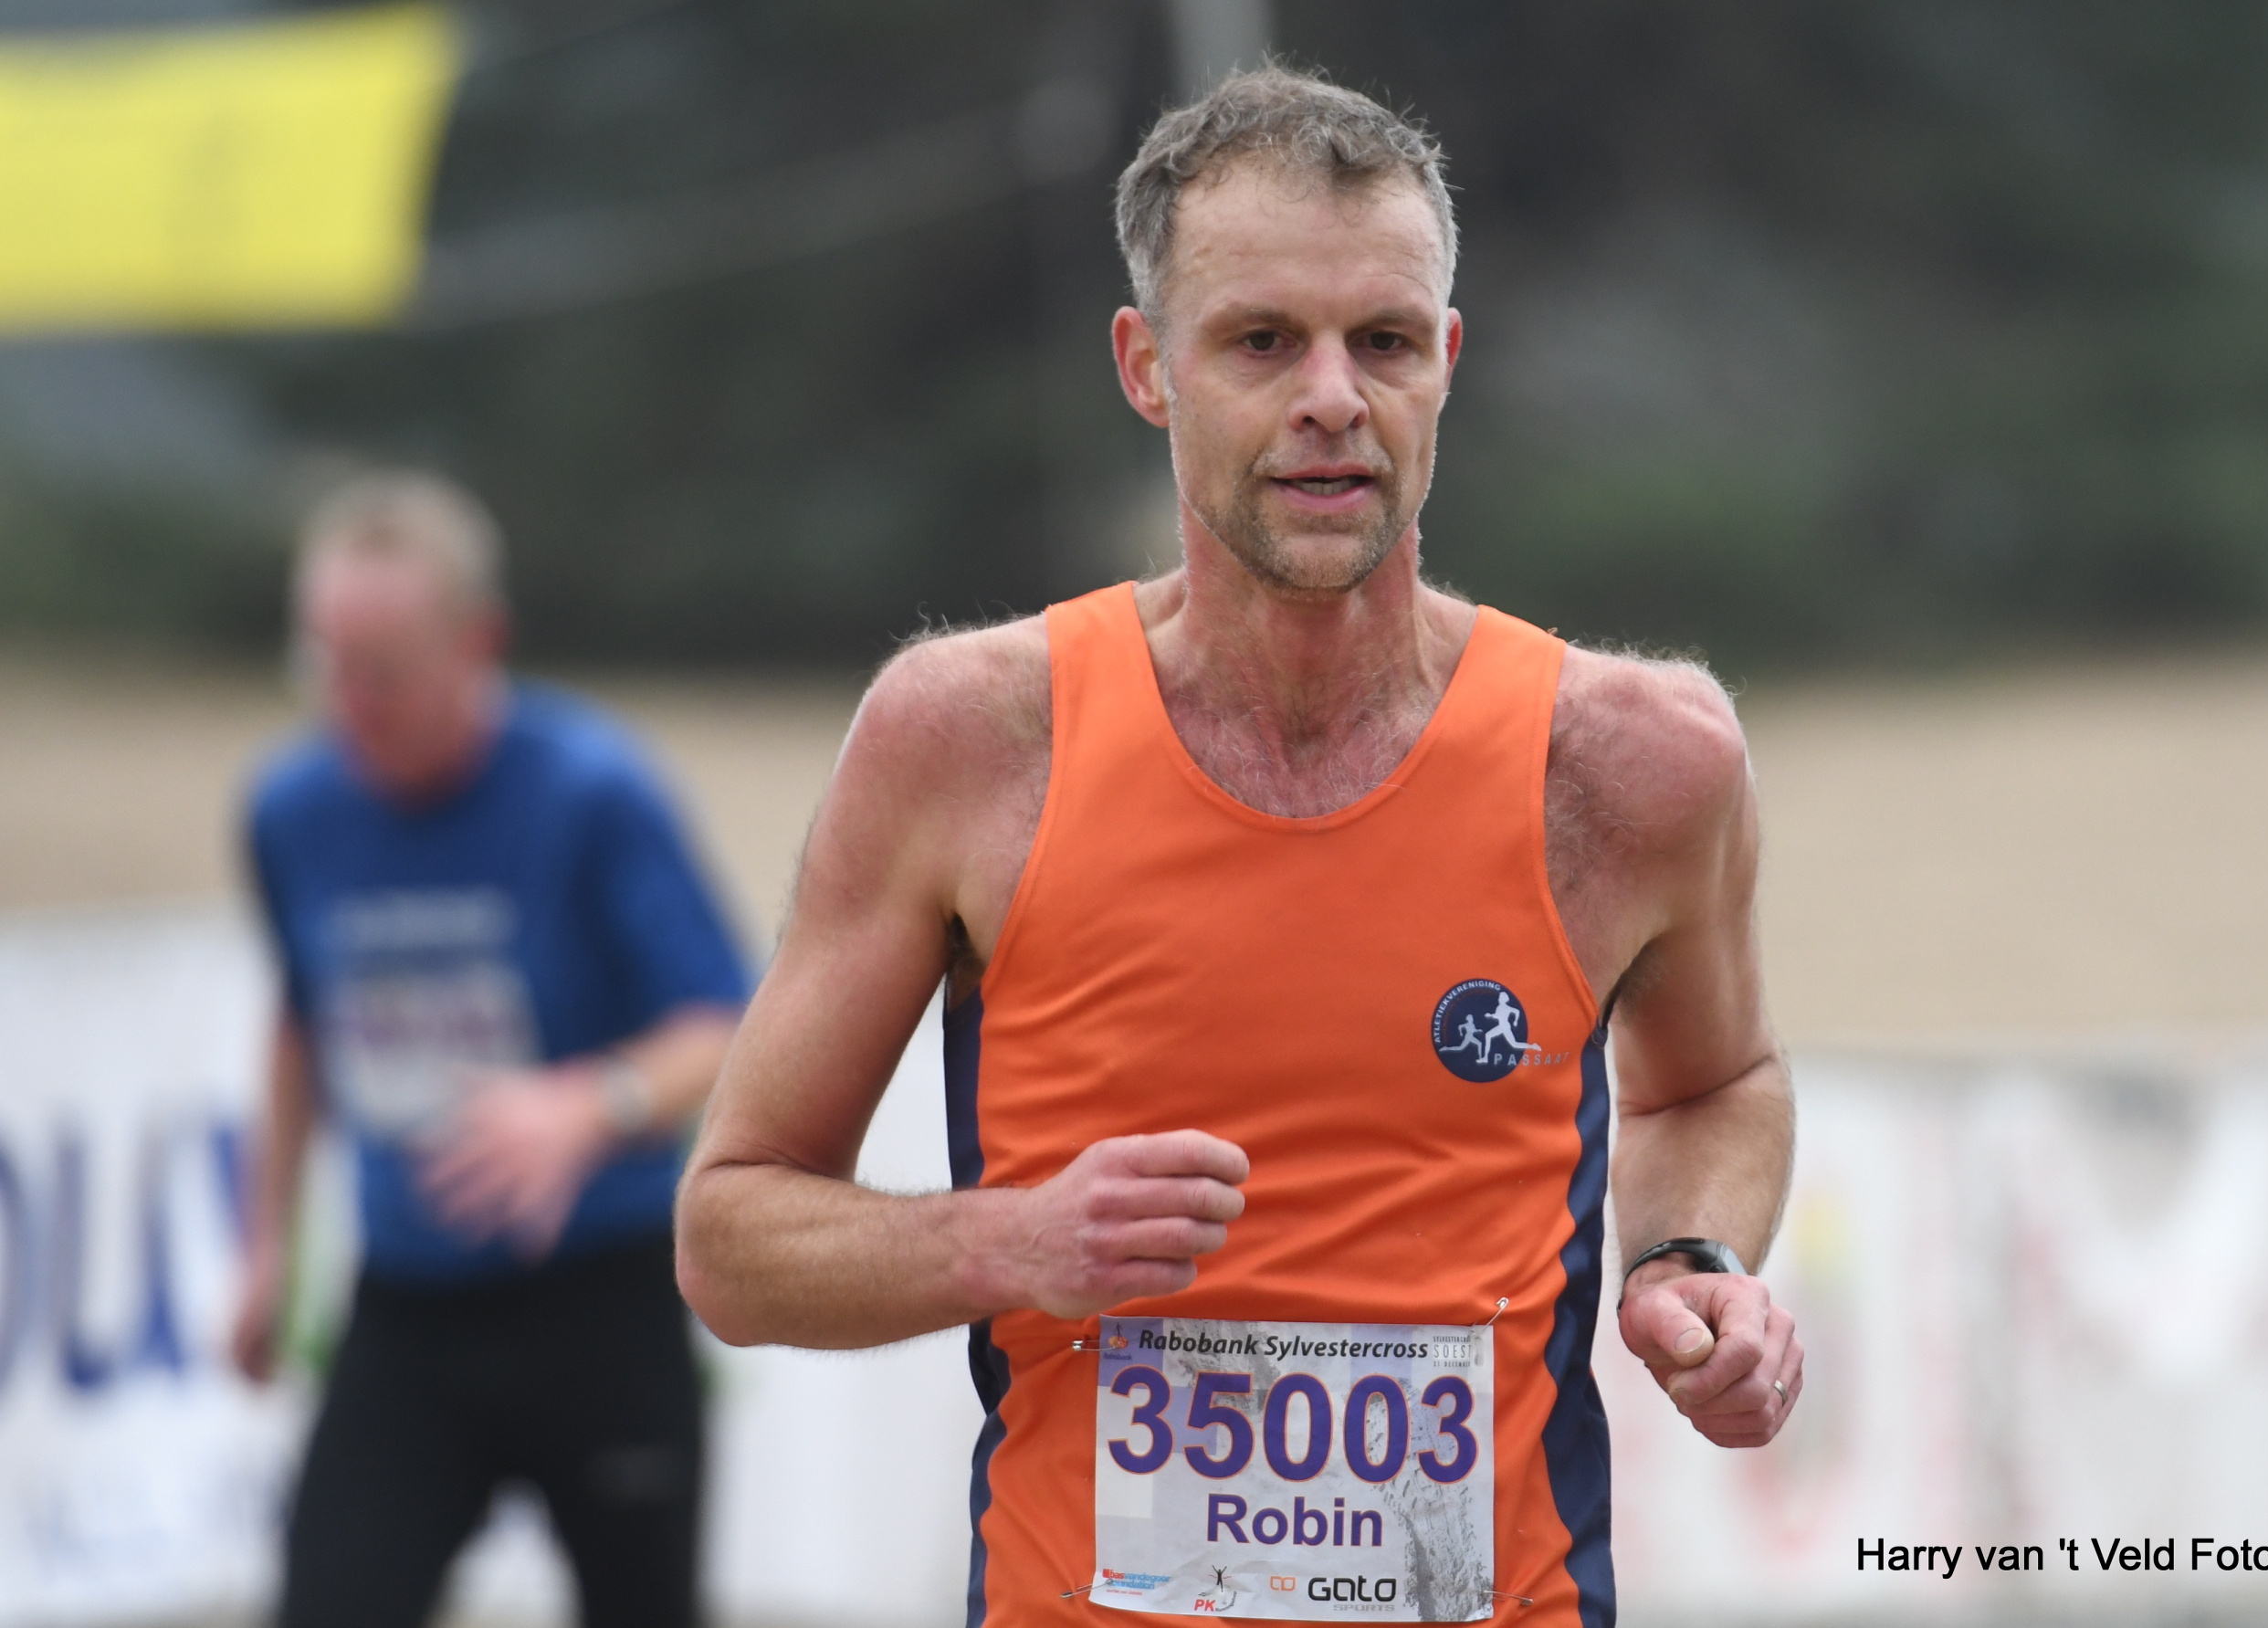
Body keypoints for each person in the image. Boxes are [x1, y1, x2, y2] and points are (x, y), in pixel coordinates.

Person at [676, 67, 1801, 1627]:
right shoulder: (971, 740)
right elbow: (732, 1234)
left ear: (1446, 361)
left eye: (1382, 341)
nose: (1331, 396)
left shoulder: (1630, 763)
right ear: (1147, 367)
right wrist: (1006, 1239)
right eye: (1262, 340)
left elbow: (1713, 1083)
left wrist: (1687, 1260)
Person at [234, 471, 748, 1628]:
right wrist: (264, 1244)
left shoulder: (592, 791)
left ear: (478, 641)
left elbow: (727, 1026)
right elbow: (300, 1019)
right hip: (407, 1309)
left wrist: (590, 1106)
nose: (350, 703)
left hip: (601, 1296)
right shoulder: (290, 811)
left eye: (383, 671)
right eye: (325, 666)